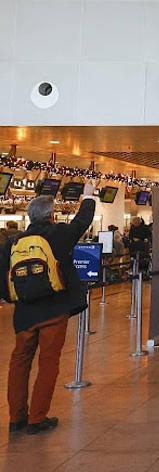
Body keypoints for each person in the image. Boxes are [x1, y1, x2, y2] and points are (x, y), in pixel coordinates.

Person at [0, 185, 96, 434]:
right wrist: (88, 195)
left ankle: (15, 418)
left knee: (19, 363)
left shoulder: (13, 242)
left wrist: (14, 298)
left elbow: (4, 277)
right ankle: (37, 418)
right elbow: (82, 221)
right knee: (48, 363)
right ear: (51, 216)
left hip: (24, 315)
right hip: (54, 310)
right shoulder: (59, 235)